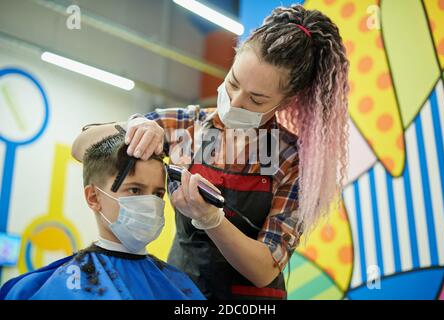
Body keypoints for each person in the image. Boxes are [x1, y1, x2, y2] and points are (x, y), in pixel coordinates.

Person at [71, 4, 349, 299]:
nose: (235, 101)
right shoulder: (188, 126)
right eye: (233, 83)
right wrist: (136, 126)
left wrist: (212, 220)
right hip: (180, 291)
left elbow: (265, 268)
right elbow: (81, 147)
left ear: (286, 101)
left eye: (256, 99)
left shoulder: (292, 160)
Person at [0, 132, 205, 300]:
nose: (150, 203)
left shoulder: (180, 288)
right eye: (134, 190)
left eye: (158, 194)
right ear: (93, 197)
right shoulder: (37, 289)